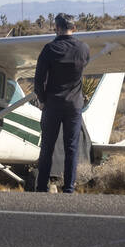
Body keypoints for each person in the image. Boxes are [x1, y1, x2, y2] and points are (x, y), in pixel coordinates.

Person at [33, 13, 91, 193]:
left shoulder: (49, 49)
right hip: (74, 105)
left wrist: (42, 100)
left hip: (52, 103)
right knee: (71, 147)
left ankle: (42, 186)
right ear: (73, 28)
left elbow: (38, 81)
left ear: (56, 28)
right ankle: (69, 187)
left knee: (47, 146)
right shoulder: (83, 49)